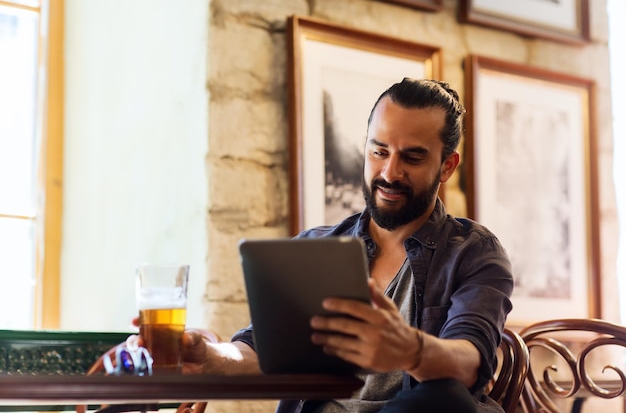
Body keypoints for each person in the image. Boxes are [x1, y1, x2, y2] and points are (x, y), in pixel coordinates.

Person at [137, 78, 514, 413]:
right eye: (378, 151)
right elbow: (259, 350)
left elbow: (469, 362)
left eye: (412, 157)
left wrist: (410, 350)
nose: (389, 173)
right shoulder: (317, 247)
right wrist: (210, 356)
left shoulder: (473, 252)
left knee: (443, 397)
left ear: (447, 166)